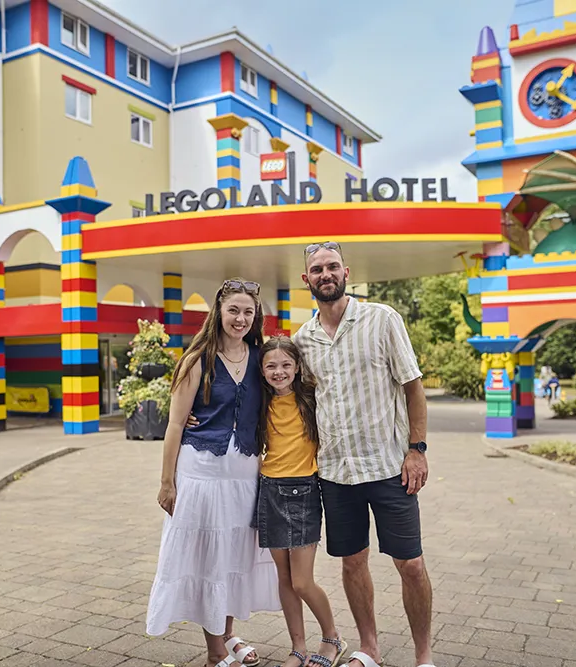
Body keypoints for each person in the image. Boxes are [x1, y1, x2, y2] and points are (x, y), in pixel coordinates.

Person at [293, 241, 435, 667]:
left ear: (346, 271)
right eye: (316, 269)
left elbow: (413, 389)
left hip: (390, 467)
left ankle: (423, 655)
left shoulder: (382, 318)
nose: (325, 274)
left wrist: (417, 450)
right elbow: (285, 396)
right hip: (335, 473)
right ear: (307, 280)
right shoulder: (303, 340)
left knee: (410, 564)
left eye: (332, 266)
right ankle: (369, 648)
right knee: (352, 563)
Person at [146, 278, 280, 667]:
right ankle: (215, 651)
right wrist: (167, 481)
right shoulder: (197, 360)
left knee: (233, 557)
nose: (240, 318)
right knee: (208, 560)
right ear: (218, 312)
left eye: (248, 312)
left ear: (256, 318)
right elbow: (173, 425)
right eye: (233, 310)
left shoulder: (260, 358)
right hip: (201, 473)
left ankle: (229, 634)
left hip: (245, 476)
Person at [254, 336, 348, 667]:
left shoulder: (310, 398)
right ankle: (298, 648)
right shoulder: (260, 401)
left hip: (304, 493)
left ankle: (332, 637)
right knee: (283, 578)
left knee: (302, 581)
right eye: (271, 366)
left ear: (296, 367)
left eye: (285, 365)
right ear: (262, 370)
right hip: (269, 491)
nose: (278, 372)